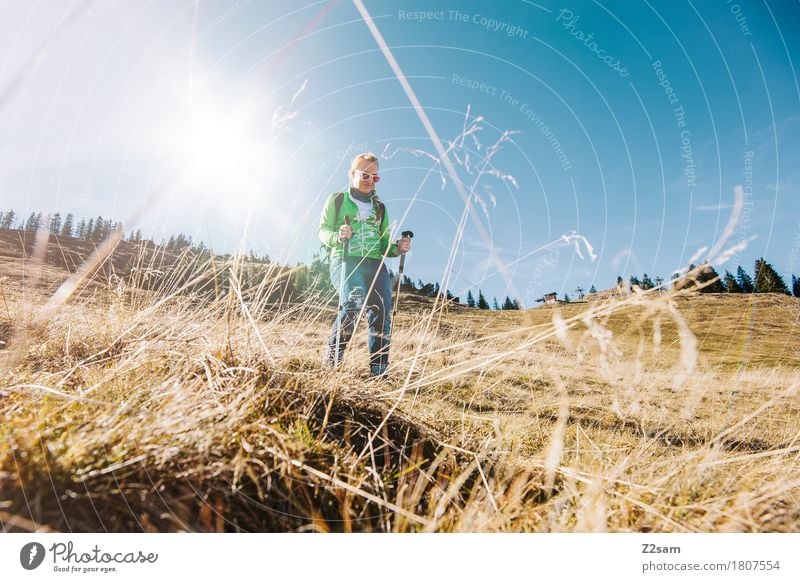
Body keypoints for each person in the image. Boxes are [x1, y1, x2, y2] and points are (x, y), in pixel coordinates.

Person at [318, 152, 411, 377]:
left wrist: (398, 248)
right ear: (352, 175)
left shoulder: (381, 209)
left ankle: (379, 372)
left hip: (376, 265)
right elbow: (323, 230)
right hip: (346, 258)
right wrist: (338, 235)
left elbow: (383, 246)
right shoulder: (337, 199)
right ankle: (332, 363)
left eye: (375, 177)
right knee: (353, 302)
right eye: (365, 175)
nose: (370, 180)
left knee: (382, 313)